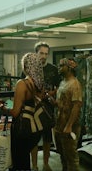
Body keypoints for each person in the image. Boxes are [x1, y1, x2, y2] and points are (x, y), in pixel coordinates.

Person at [0, 52, 45, 171]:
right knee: (25, 160)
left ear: (26, 66)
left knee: (19, 162)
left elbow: (15, 112)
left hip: (22, 130)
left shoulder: (22, 84)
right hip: (34, 129)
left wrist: (2, 106)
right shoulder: (40, 85)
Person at [30, 42, 60, 171]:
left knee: (47, 139)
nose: (44, 56)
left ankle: (46, 164)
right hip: (33, 109)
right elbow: (23, 87)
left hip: (48, 109)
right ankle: (35, 165)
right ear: (36, 53)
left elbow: (58, 88)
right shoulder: (29, 68)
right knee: (34, 140)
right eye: (41, 53)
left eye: (46, 54)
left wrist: (49, 94)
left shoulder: (53, 69)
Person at [54, 58, 82, 171]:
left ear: (69, 68)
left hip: (70, 126)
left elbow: (77, 105)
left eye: (61, 66)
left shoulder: (75, 84)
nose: (59, 68)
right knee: (62, 154)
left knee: (71, 157)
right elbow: (62, 103)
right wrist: (53, 101)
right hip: (60, 124)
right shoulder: (62, 82)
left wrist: (69, 126)